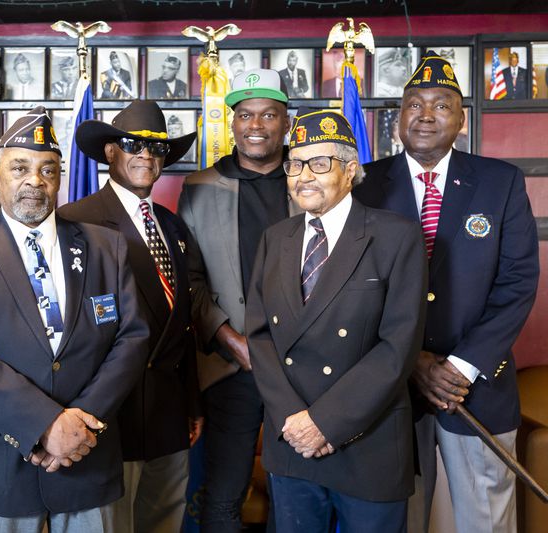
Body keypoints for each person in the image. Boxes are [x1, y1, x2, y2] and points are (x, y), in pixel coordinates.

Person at [0, 106, 151, 533]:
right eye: (20, 167)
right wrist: (45, 425)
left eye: (48, 170)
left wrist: (80, 422)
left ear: (60, 178)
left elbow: (133, 337)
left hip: (89, 456)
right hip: (1, 463)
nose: (35, 180)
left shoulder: (108, 247)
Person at [354, 51, 540, 533]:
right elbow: (352, 287)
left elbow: (517, 282)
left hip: (475, 387)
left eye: (441, 104)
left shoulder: (500, 182)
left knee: (486, 519)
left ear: (461, 119)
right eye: (415, 103)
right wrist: (412, 360)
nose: (426, 114)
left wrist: (459, 365)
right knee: (399, 519)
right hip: (390, 389)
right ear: (399, 117)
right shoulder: (363, 185)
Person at [246, 109, 427, 533]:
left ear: (350, 171)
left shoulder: (396, 236)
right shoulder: (276, 239)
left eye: (320, 163)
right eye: (295, 164)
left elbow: (397, 347)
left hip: (368, 441)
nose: (304, 176)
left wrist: (325, 422)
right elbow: (259, 336)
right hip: (291, 439)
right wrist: (294, 418)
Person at [59, 100, 201, 533]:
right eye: (132, 144)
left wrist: (192, 401)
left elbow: (185, 321)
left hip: (169, 416)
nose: (145, 154)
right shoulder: (74, 221)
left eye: (155, 148)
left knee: (163, 523)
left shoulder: (171, 225)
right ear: (110, 153)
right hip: (110, 417)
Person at [178, 68, 291, 532]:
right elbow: (191, 281)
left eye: (268, 114)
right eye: (245, 115)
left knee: (298, 498)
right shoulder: (201, 187)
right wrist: (234, 342)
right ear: (233, 122)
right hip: (231, 366)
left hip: (300, 368)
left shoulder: (313, 179)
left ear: (287, 121)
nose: (256, 125)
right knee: (222, 498)